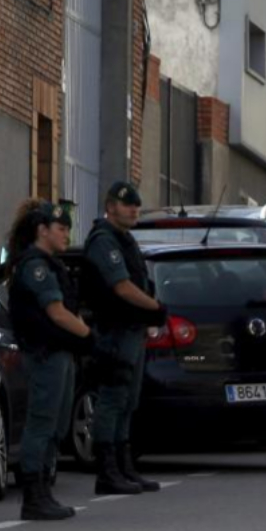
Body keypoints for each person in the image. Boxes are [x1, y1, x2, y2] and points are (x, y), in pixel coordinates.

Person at [6, 200, 94, 520]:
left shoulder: (47, 262)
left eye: (69, 228)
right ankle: (33, 495)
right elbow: (57, 312)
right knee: (41, 423)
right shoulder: (35, 266)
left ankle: (44, 490)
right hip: (46, 355)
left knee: (55, 425)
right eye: (61, 228)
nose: (67, 234)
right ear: (42, 231)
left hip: (58, 354)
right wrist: (88, 335)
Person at [81, 181, 167, 495]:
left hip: (131, 329)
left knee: (128, 401)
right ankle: (107, 471)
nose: (133, 209)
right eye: (127, 204)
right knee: (113, 399)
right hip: (114, 331)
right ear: (110, 206)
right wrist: (155, 307)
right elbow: (122, 287)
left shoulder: (124, 238)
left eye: (136, 204)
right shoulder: (104, 241)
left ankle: (123, 466)